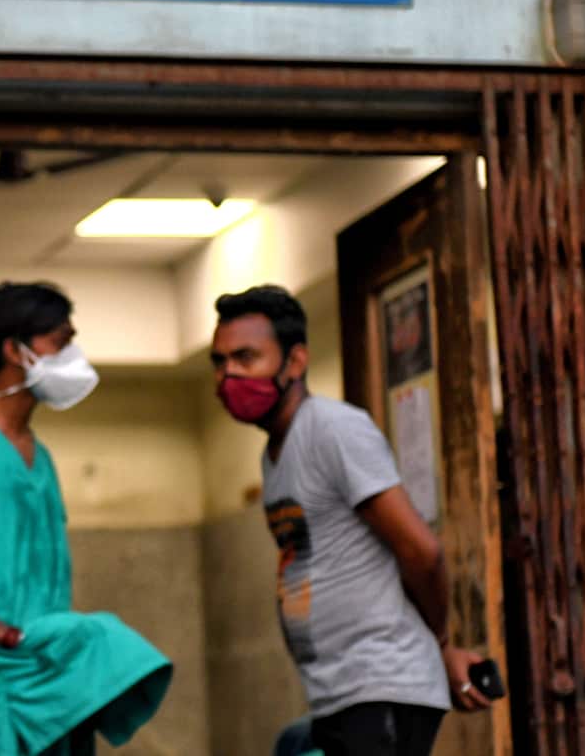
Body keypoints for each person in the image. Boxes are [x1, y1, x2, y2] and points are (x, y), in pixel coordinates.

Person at [210, 285, 491, 756]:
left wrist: (440, 643)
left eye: (245, 357)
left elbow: (421, 551)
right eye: (219, 362)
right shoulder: (275, 453)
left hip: (379, 682)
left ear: (295, 362)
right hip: (338, 691)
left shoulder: (333, 429)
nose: (228, 375)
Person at [0, 282, 172, 756]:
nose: (74, 354)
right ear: (15, 350)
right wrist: (4, 635)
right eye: (61, 342)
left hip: (58, 673)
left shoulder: (38, 456)